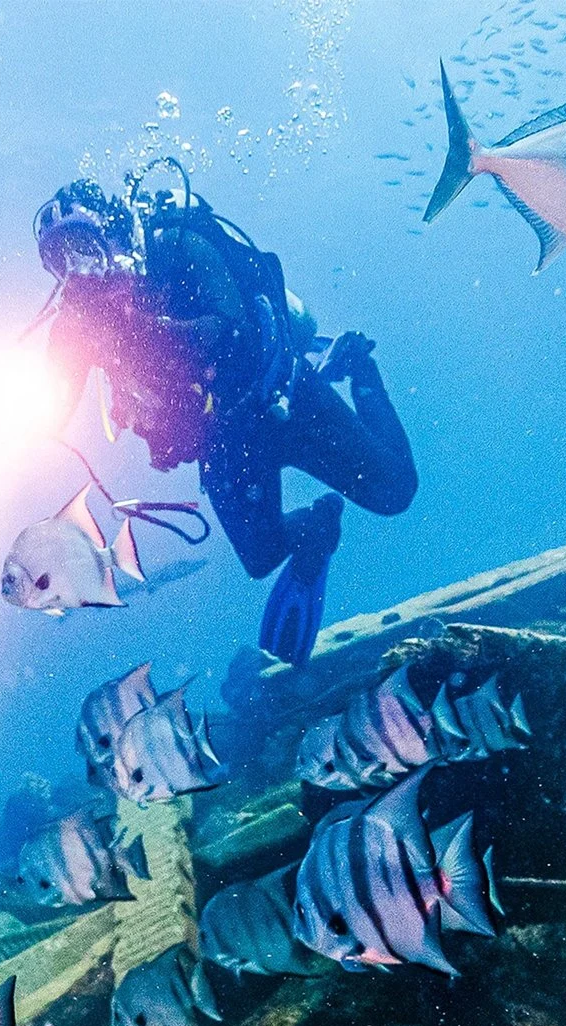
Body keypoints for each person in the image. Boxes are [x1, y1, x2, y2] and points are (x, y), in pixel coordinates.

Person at [33, 169, 417, 667]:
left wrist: (142, 330)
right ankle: (319, 529)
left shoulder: (176, 249)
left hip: (281, 401)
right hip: (224, 446)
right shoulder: (79, 320)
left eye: (83, 247)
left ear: (111, 234)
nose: (77, 270)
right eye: (59, 261)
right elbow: (53, 404)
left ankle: (359, 368)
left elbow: (231, 332)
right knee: (260, 558)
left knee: (394, 492)